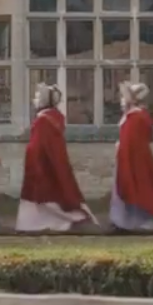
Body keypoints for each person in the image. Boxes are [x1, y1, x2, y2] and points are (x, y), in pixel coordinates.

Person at [16, 83, 98, 233]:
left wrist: (36, 163)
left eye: (37, 97)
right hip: (41, 164)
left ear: (44, 101)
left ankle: (74, 220)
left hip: (43, 166)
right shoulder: (49, 118)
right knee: (40, 199)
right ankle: (30, 225)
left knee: (48, 197)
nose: (34, 99)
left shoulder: (44, 120)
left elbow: (41, 145)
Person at [109, 81, 153, 233]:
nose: (122, 101)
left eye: (125, 98)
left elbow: (134, 141)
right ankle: (123, 222)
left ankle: (133, 222)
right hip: (128, 157)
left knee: (138, 188)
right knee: (125, 190)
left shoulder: (136, 117)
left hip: (135, 159)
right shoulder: (132, 116)